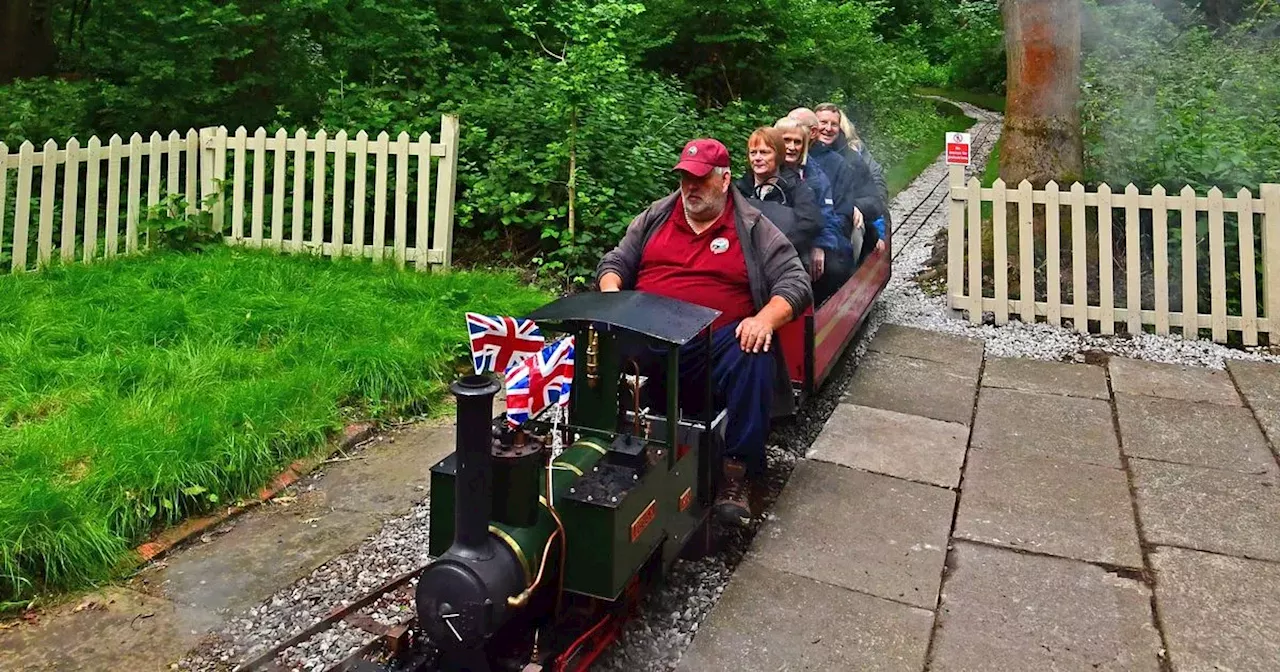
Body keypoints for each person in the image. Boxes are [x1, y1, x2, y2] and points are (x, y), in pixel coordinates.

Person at [596, 138, 812, 526]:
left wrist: (763, 319)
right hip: (648, 339)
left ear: (725, 179)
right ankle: (593, 440)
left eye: (700, 179)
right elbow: (616, 260)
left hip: (712, 347)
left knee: (756, 349)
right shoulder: (656, 216)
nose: (690, 188)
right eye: (684, 178)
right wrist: (611, 295)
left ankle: (737, 473)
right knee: (592, 337)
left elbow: (795, 282)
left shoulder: (752, 226)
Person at [773, 117, 855, 304]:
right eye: (786, 141)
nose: (792, 147)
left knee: (828, 267)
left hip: (807, 240)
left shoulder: (816, 176)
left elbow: (827, 213)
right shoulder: (765, 171)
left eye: (797, 142)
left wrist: (820, 244)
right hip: (776, 241)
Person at [733, 127, 823, 274]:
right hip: (744, 259)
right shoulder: (739, 188)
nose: (757, 158)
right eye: (753, 153)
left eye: (764, 152)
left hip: (785, 260)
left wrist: (776, 247)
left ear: (778, 155)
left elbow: (809, 224)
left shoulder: (797, 188)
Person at [816, 103, 888, 256]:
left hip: (845, 228)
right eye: (823, 123)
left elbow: (875, 200)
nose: (828, 128)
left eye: (833, 124)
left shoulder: (853, 159)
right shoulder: (802, 156)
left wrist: (853, 207)